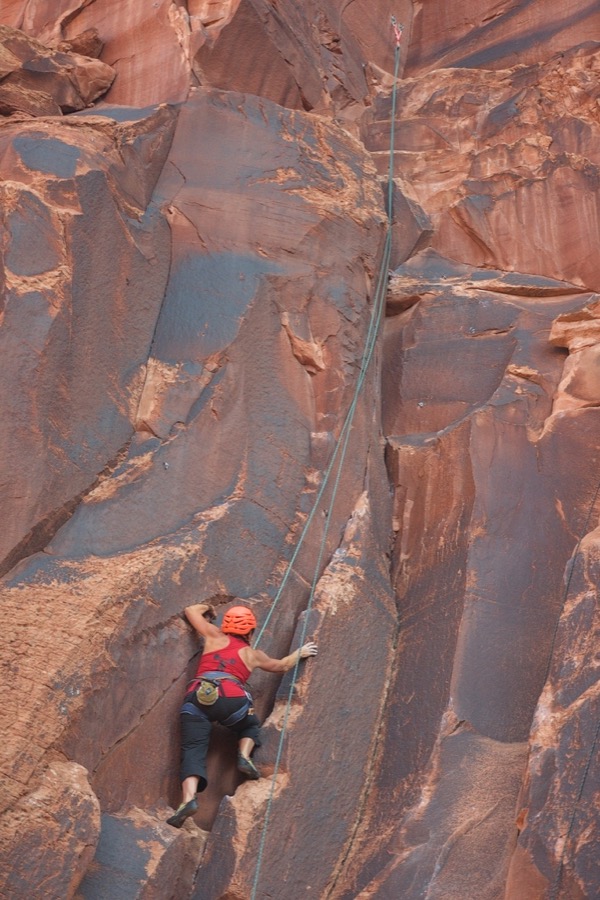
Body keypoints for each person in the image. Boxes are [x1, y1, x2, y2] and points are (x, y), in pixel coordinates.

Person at [167, 601, 318, 828]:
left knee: (193, 750)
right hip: (232, 700)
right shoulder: (252, 654)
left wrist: (209, 607)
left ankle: (188, 800)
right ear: (250, 630)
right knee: (249, 725)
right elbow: (281, 666)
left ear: (226, 624)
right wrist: (300, 653)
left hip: (198, 697)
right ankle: (244, 754)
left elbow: (190, 610)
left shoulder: (212, 634)